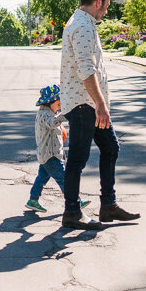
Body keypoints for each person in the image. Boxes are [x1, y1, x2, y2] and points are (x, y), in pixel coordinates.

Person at [59, 0, 141, 230]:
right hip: (85, 105)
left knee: (110, 148)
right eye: (105, 6)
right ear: (98, 2)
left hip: (89, 104)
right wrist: (100, 104)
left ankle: (108, 205)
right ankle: (72, 212)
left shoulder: (83, 23)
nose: (106, 11)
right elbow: (86, 70)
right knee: (77, 159)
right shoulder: (82, 26)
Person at [26, 84, 90, 213]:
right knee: (64, 179)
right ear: (50, 102)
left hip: (47, 154)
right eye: (59, 104)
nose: (60, 107)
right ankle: (75, 201)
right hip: (51, 155)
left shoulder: (49, 113)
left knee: (42, 178)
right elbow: (53, 123)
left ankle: (33, 200)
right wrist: (65, 114)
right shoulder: (45, 114)